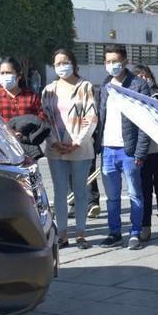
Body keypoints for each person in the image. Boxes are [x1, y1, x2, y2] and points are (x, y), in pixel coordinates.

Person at [42, 49, 98, 250]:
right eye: (57, 63)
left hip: (80, 149)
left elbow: (91, 117)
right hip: (55, 148)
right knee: (59, 192)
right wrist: (54, 141)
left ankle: (81, 233)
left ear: (73, 63)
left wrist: (77, 141)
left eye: (65, 62)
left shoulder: (85, 87)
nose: (61, 66)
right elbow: (45, 120)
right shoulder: (48, 90)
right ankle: (62, 234)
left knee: (81, 191)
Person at [96, 45, 151, 249]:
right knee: (112, 197)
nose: (112, 65)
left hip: (129, 150)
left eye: (116, 61)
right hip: (107, 149)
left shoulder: (138, 85)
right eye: (108, 62)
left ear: (125, 61)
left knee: (135, 194)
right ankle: (114, 232)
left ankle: (135, 232)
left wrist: (140, 151)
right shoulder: (104, 86)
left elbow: (146, 122)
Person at [133, 65, 158, 243]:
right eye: (139, 76)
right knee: (144, 191)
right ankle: (145, 226)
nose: (143, 78)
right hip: (142, 153)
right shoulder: (131, 98)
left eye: (146, 75)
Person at [0, 57, 42, 121]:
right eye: (2, 73)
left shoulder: (32, 97)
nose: (5, 76)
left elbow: (41, 118)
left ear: (19, 76)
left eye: (8, 73)